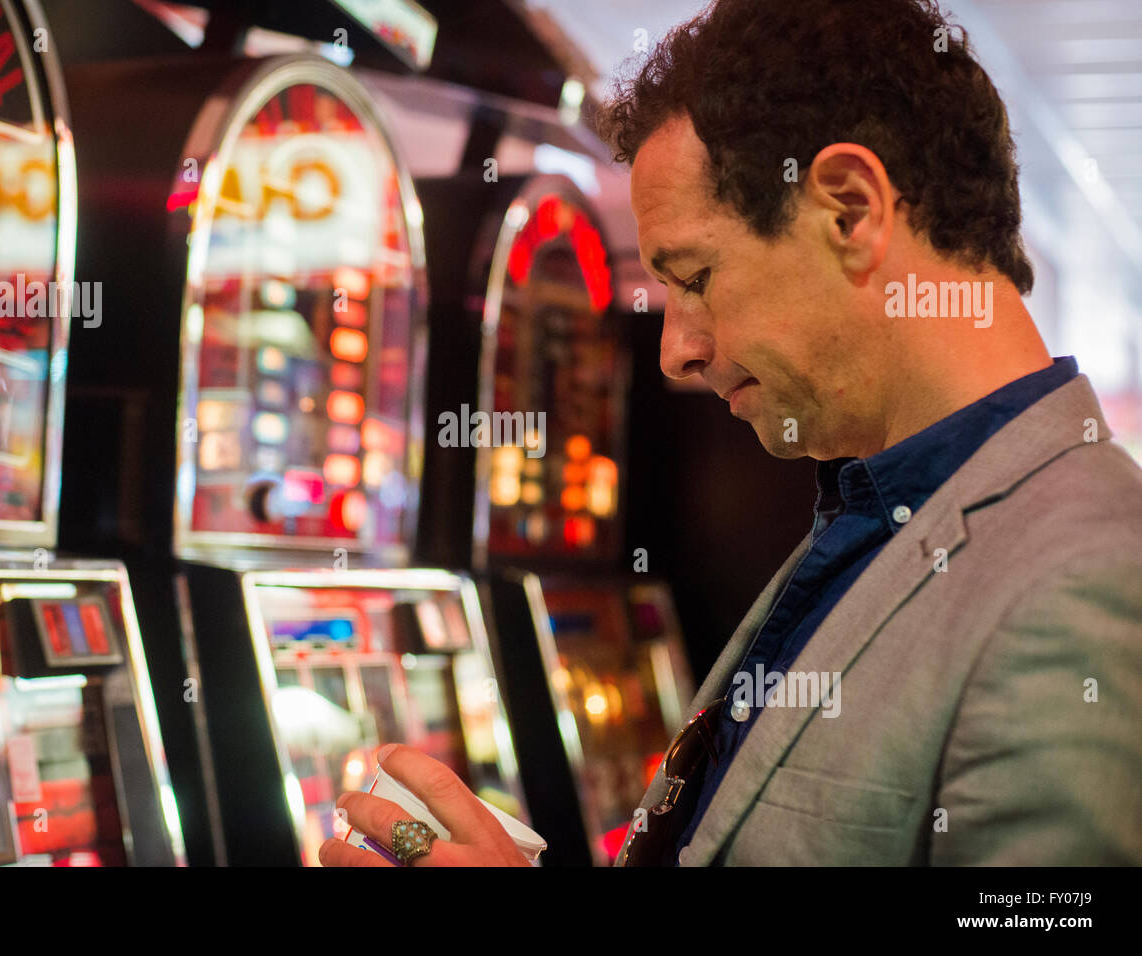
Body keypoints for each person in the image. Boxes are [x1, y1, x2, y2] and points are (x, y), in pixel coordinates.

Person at [321, 0, 1142, 867]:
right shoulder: (881, 504)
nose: (676, 351)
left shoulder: (1089, 580)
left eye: (696, 276)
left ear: (852, 212)